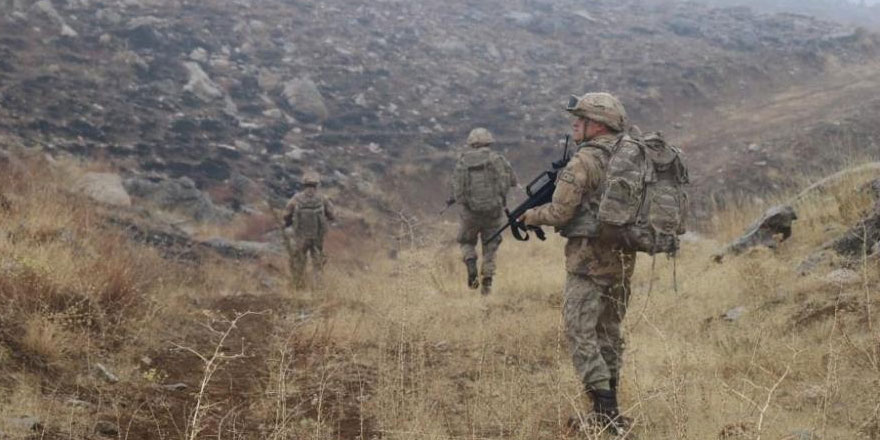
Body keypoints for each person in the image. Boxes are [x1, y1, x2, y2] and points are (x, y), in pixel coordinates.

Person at [520, 93, 636, 433]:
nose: (574, 124)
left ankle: (606, 415)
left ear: (596, 125)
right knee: (609, 332)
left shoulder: (583, 162)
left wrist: (530, 216)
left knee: (580, 333)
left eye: (580, 119)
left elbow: (560, 213)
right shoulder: (630, 155)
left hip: (587, 261)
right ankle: (610, 410)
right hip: (623, 258)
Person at [450, 127, 517, 295]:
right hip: (493, 212)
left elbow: (458, 191)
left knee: (466, 241)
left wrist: (466, 203)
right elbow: (512, 181)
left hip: (470, 214)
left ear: (472, 142)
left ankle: (471, 261)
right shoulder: (497, 159)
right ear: (489, 141)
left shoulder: (463, 161)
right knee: (490, 246)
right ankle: (487, 281)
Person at [284, 172, 335, 280]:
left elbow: (286, 214)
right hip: (317, 238)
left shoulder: (296, 198)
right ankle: (318, 287)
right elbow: (331, 214)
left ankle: (298, 286)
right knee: (317, 263)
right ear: (317, 185)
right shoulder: (322, 198)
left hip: (300, 237)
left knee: (299, 262)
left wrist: (288, 224)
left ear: (304, 184)